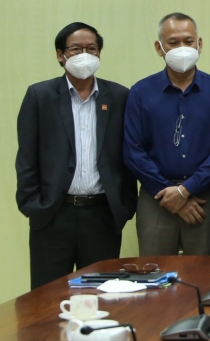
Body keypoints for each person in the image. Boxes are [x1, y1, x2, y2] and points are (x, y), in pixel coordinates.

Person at [16, 23, 137, 288]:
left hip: (102, 216)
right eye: (75, 49)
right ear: (61, 55)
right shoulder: (40, 96)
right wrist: (33, 205)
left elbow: (128, 154)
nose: (85, 55)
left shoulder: (119, 96)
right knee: (47, 297)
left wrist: (125, 206)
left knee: (99, 294)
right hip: (53, 215)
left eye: (91, 49)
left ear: (99, 53)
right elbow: (27, 157)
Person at [124, 13, 210, 256]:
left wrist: (186, 190)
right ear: (159, 47)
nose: (182, 48)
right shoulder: (140, 92)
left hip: (204, 198)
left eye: (188, 41)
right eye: (173, 42)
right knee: (154, 273)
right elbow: (133, 151)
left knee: (206, 272)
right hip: (156, 196)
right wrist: (171, 194)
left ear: (199, 44)